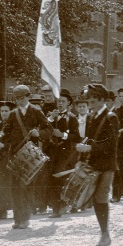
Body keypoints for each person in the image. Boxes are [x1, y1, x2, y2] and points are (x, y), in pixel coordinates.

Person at [0, 85, 52, 230]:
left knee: (26, 186)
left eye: (22, 98)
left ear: (28, 96)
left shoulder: (36, 111)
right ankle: (17, 219)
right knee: (15, 187)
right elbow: (6, 132)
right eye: (17, 99)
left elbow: (49, 129)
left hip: (30, 154)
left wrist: (38, 133)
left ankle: (26, 218)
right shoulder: (13, 113)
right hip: (15, 154)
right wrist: (0, 137)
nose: (20, 101)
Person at [75, 83, 119, 246]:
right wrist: (81, 158)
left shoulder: (111, 117)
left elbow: (112, 144)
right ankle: (104, 232)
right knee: (96, 199)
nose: (90, 102)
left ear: (102, 100)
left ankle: (105, 234)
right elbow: (88, 139)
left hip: (107, 165)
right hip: (94, 164)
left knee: (100, 197)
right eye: (89, 99)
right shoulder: (91, 117)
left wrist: (90, 148)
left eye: (93, 99)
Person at [44, 89, 81, 217]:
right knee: (51, 179)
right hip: (52, 152)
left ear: (68, 103)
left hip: (65, 154)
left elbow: (77, 137)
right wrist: (50, 119)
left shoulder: (72, 118)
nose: (60, 104)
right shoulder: (51, 116)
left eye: (63, 102)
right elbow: (43, 130)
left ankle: (62, 206)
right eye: (58, 101)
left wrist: (63, 135)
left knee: (61, 179)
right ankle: (55, 206)